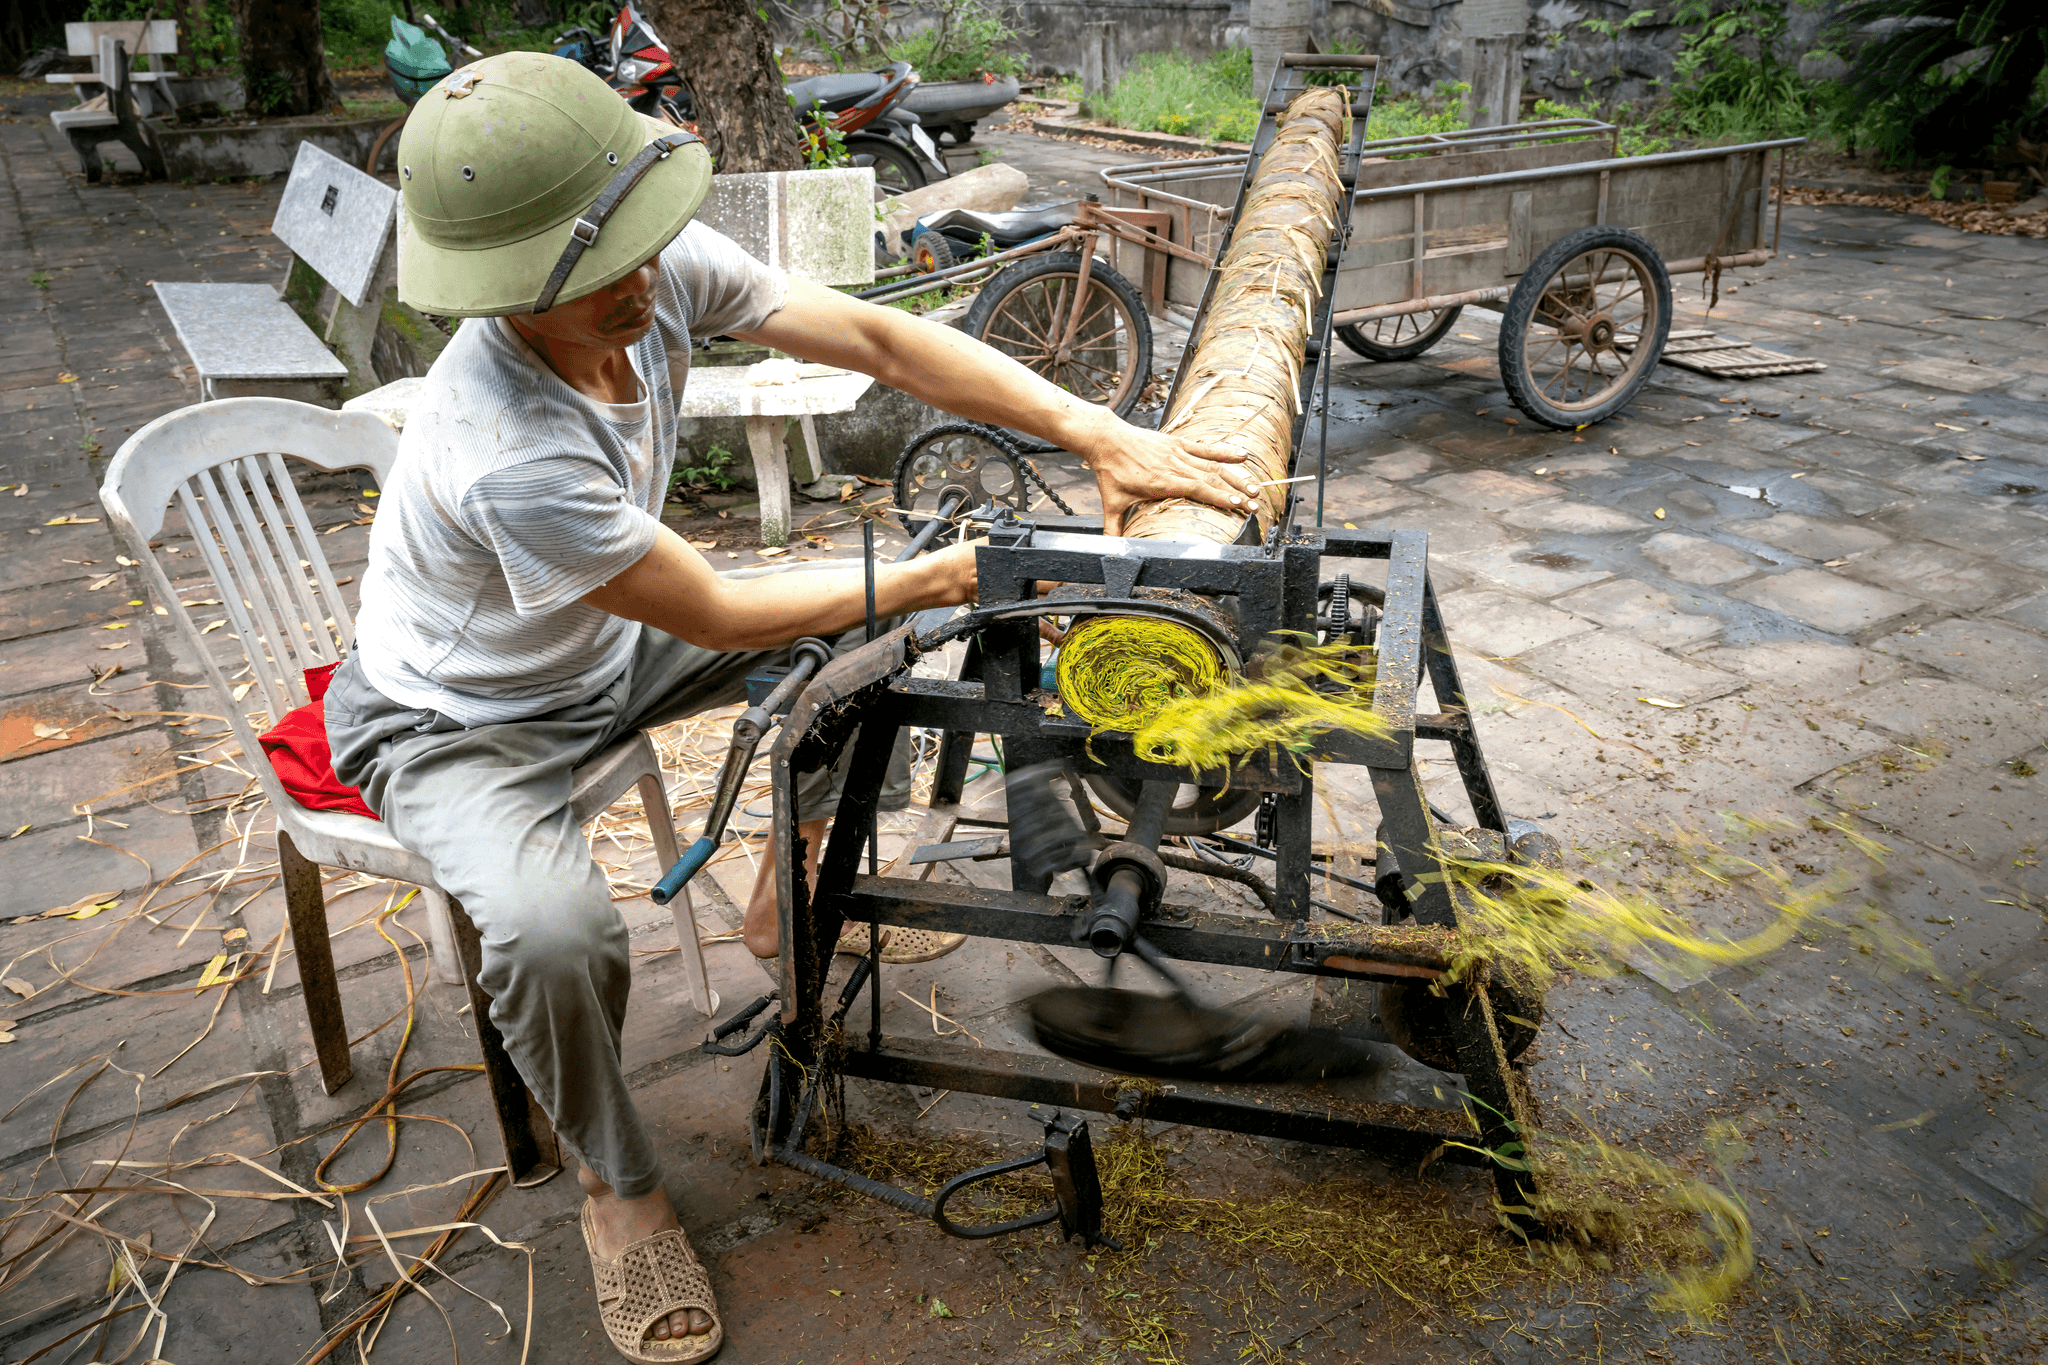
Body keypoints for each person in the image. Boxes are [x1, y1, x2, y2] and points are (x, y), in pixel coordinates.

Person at [325, 51, 1253, 1364]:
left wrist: (1087, 427)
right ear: (511, 290)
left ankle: (785, 885)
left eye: (643, 244)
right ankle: (619, 1190)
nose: (646, 280)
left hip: (593, 646)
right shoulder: (505, 443)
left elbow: (876, 337)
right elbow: (708, 612)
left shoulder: (642, 265)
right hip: (455, 719)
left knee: (875, 628)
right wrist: (953, 567)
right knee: (548, 933)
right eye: (602, 273)